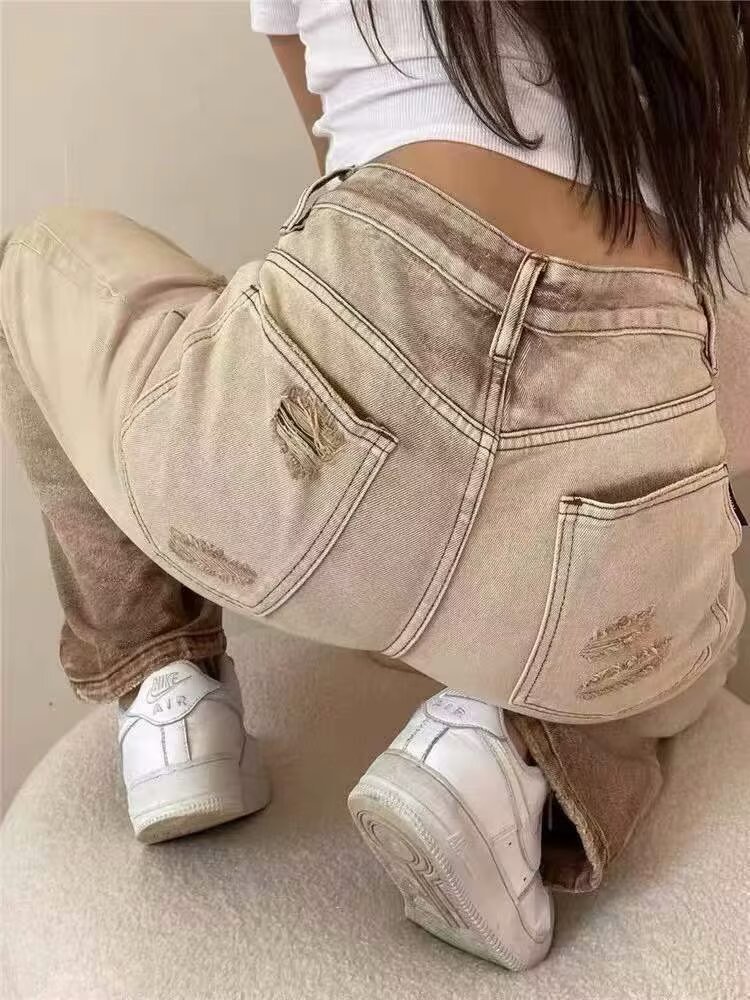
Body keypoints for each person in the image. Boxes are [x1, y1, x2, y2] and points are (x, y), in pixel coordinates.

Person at [1, 0, 748, 972]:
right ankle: (512, 749)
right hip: (622, 430)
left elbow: (339, 175)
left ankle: (169, 695)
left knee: (37, 264)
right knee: (670, 639)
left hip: (325, 432)